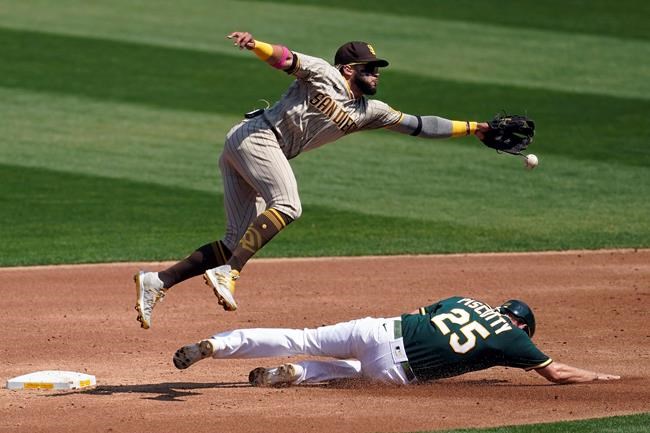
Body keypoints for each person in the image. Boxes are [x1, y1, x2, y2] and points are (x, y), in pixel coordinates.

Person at [134, 30, 492, 329]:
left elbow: (420, 125)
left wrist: (476, 128)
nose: (377, 74)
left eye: (379, 69)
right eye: (371, 68)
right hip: (258, 137)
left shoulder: (371, 112)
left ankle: (159, 281)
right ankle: (232, 272)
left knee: (234, 239)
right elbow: (286, 59)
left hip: (253, 147)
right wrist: (255, 44)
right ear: (350, 69)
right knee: (288, 205)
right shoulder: (325, 74)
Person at [172, 296, 620, 387]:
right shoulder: (515, 342)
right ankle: (291, 374)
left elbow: (426, 316)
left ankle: (216, 345)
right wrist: (598, 375)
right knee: (351, 374)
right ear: (521, 327)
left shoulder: (465, 300)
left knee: (301, 336)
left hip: (380, 328)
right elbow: (556, 373)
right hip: (393, 369)